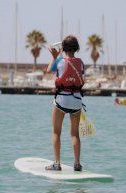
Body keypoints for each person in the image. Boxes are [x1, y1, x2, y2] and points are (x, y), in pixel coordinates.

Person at [46, 35, 84, 171]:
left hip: (62, 99)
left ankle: (57, 163)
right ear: (76, 48)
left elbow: (49, 70)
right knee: (75, 134)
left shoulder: (60, 61)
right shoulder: (81, 63)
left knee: (56, 132)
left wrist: (54, 57)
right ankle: (77, 163)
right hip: (77, 101)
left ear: (63, 48)